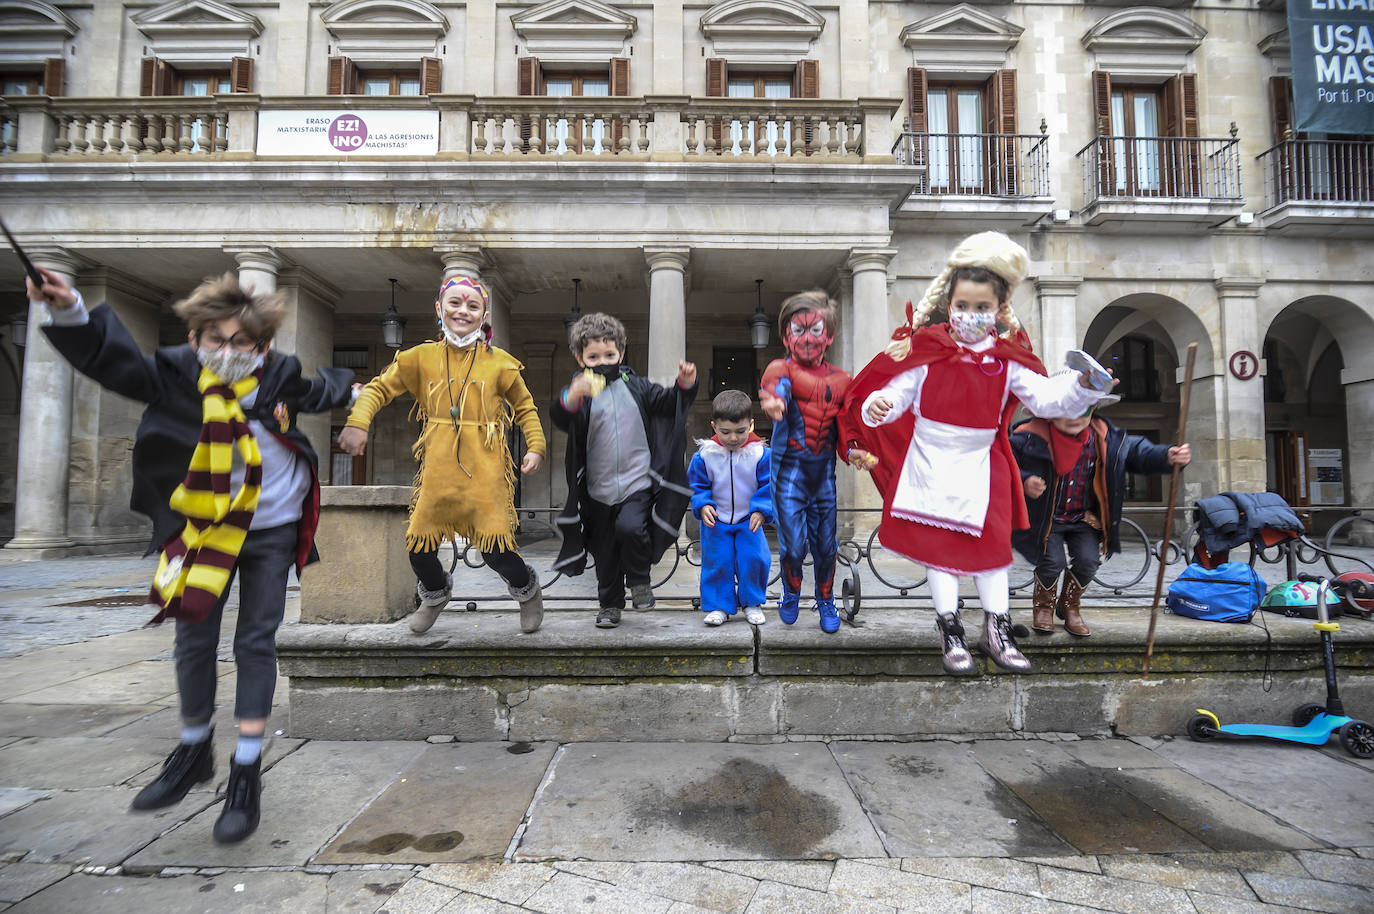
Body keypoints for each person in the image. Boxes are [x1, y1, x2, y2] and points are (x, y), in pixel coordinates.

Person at [30, 267, 356, 843]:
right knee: (192, 637)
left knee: (256, 640)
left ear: (263, 346)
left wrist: (358, 393)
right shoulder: (176, 375)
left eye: (241, 343)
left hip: (272, 527)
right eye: (216, 340)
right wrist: (70, 308)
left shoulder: (279, 373)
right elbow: (113, 363)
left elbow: (319, 391)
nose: (228, 352)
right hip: (202, 529)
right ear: (196, 339)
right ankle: (192, 749)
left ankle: (247, 770)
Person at [840, 231, 1111, 675]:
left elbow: (1046, 400)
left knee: (991, 554)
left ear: (998, 310)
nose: (969, 315)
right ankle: (950, 632)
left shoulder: (1008, 361)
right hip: (930, 462)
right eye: (962, 307)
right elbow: (892, 398)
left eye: (981, 308)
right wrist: (876, 406)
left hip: (982, 466)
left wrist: (1082, 386)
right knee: (941, 554)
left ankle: (996, 631)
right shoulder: (926, 352)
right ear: (950, 306)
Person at [339, 276, 546, 635]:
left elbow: (526, 408)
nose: (462, 311)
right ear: (439, 309)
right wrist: (358, 421)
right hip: (437, 471)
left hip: (486, 472)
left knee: (496, 552)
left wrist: (536, 447)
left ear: (484, 315)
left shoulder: (501, 363)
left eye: (472, 306)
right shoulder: (418, 358)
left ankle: (527, 591)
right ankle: (434, 595)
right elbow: (377, 389)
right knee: (419, 549)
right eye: (454, 303)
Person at [552, 312, 697, 628]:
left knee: (632, 528)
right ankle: (609, 605)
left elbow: (669, 403)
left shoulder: (639, 386)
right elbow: (560, 417)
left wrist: (685, 386)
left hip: (637, 483)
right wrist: (571, 397)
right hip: (596, 489)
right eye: (593, 356)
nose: (602, 360)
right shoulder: (581, 392)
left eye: (609, 354)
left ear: (621, 352)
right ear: (580, 358)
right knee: (604, 550)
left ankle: (640, 580)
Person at [1010, 406, 1191, 636]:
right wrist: (1024, 481)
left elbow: (1139, 453)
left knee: (1088, 561)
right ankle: (1043, 607)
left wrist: (1167, 456)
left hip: (1084, 517)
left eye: (1082, 411)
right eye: (1067, 412)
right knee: (1052, 562)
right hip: (1047, 518)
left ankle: (1069, 606)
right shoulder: (1029, 436)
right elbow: (1007, 464)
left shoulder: (1105, 437)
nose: (1075, 418)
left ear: (1093, 410)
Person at [759, 290, 851, 633]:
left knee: (827, 546)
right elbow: (775, 387)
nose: (807, 339)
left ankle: (825, 599)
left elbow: (848, 426)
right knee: (793, 545)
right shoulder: (780, 367)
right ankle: (791, 592)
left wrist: (855, 450)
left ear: (829, 335)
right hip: (788, 475)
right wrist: (772, 402)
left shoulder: (843, 381)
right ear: (786, 335)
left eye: (815, 330)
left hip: (824, 475)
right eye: (798, 330)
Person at [688, 389, 773, 626]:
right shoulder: (704, 455)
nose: (733, 438)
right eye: (726, 432)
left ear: (752, 425)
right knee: (718, 561)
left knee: (754, 559)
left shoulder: (762, 454)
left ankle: (751, 603)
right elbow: (698, 485)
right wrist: (703, 504)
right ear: (714, 426)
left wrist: (761, 509)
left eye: (741, 431)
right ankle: (719, 606)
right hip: (717, 520)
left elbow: (769, 485)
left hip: (749, 519)